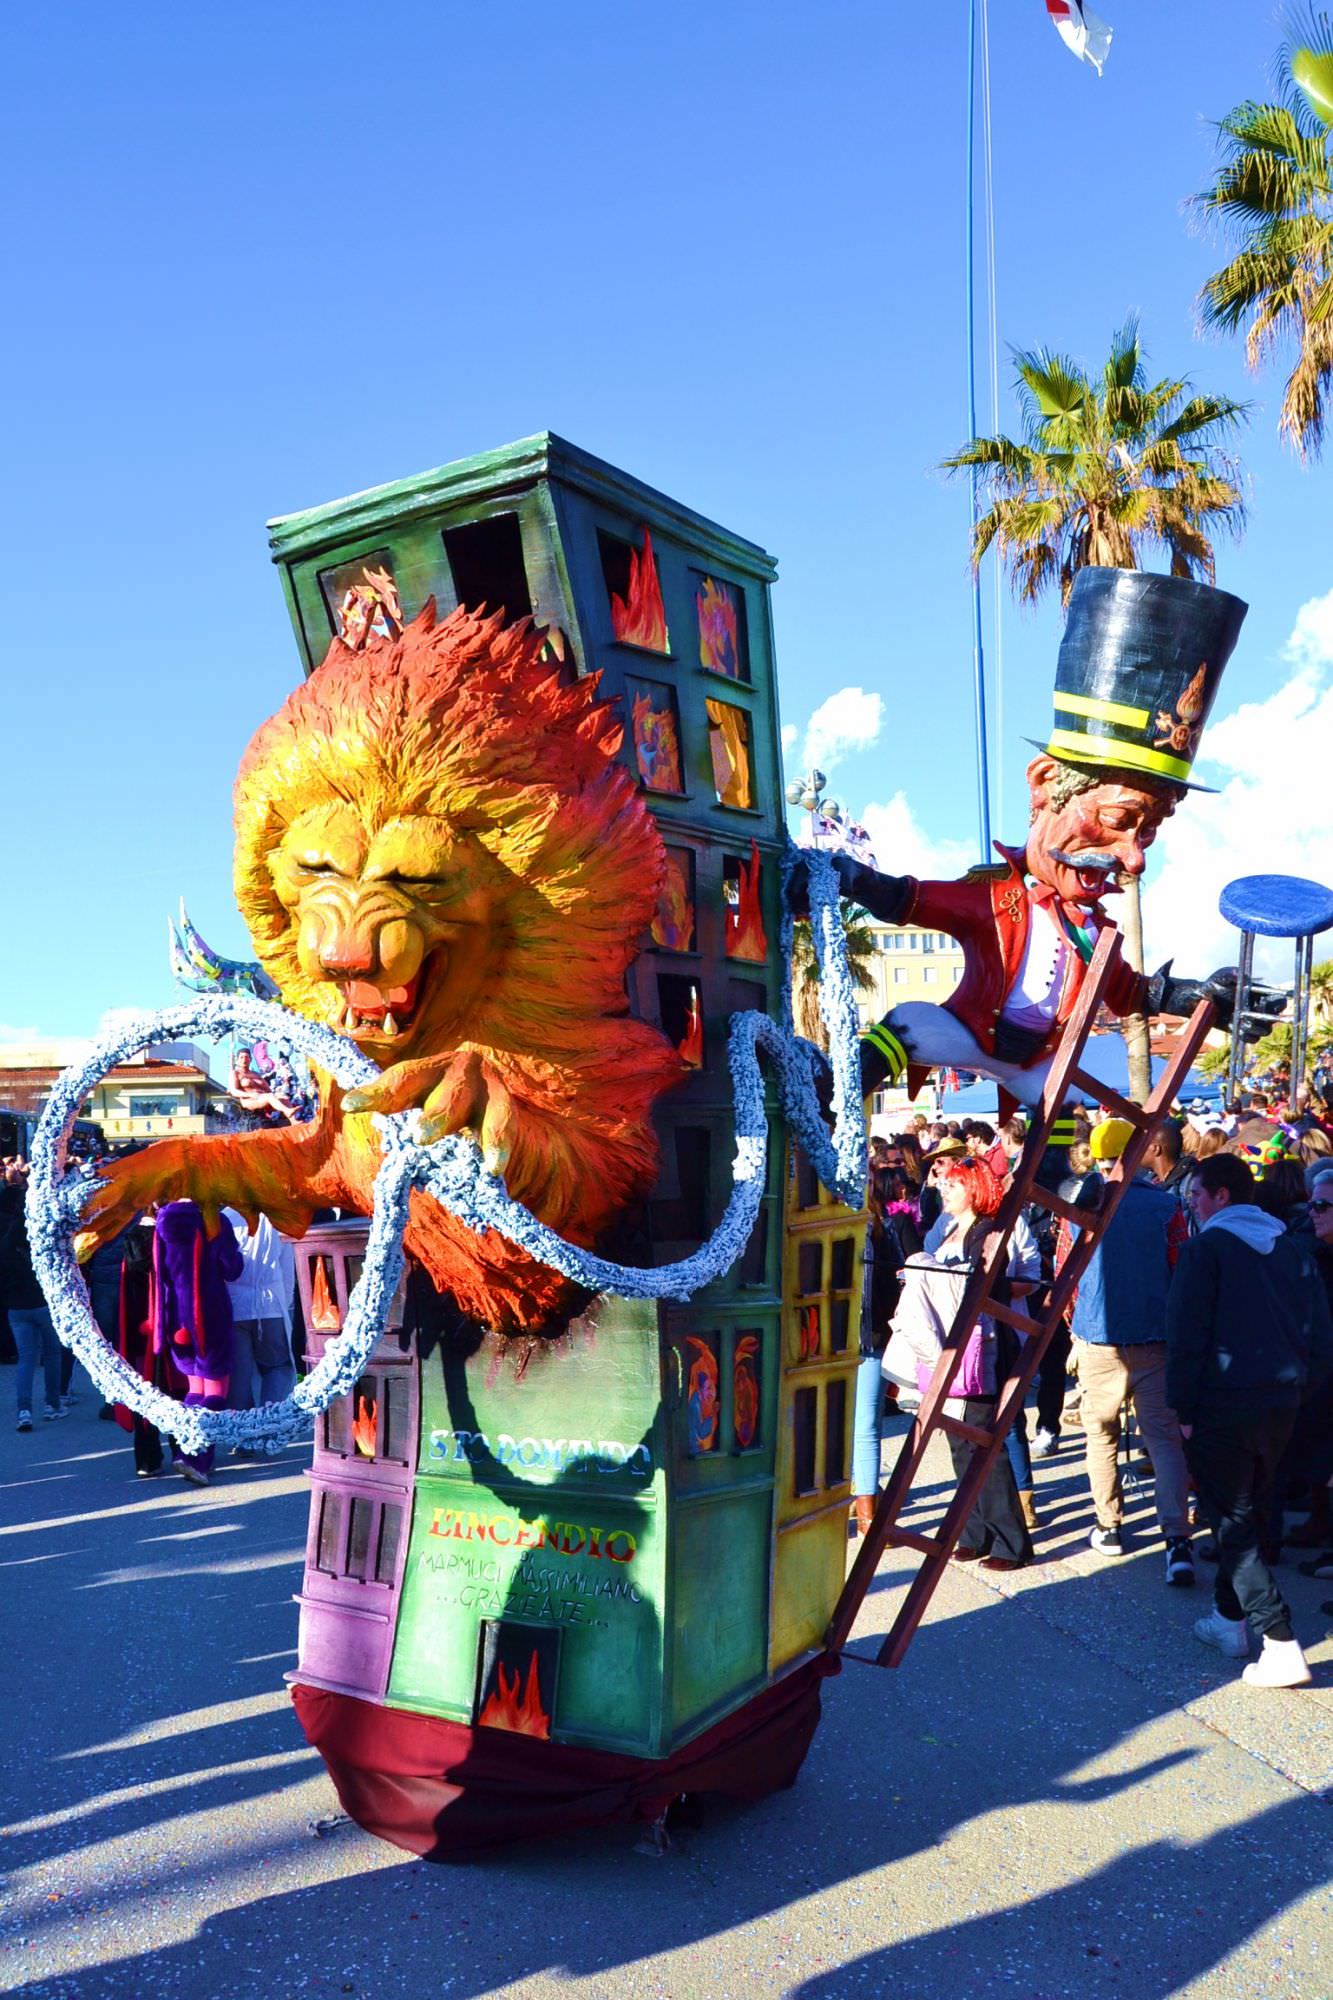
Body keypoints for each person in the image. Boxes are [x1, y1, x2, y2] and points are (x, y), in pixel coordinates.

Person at [1167, 1153, 1333, 1687]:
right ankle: (1229, 1620)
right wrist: (1303, 1391)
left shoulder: (1205, 1249)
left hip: (1224, 1401)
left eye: (1196, 1194)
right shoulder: (1290, 1246)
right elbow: (1319, 1332)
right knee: (1248, 1512)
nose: (1192, 1203)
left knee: (1234, 1521)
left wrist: (1184, 1409)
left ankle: (1279, 1638)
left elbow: (1187, 1335)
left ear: (1220, 1196)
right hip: (1281, 1400)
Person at [1058, 1117, 1195, 1582]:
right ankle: (1177, 1540)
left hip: (1098, 1339)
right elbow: (1182, 1273)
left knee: (1101, 1437)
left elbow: (1065, 1278)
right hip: (1157, 1339)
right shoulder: (1166, 1206)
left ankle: (1109, 1526)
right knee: (1164, 1441)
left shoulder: (1078, 1209)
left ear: (1099, 1157)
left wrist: (1078, 1328)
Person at [893, 1158, 1033, 1569]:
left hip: (983, 1352)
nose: (944, 1191)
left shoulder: (988, 1232)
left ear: (973, 1190)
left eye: (953, 1186)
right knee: (959, 1444)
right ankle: (975, 1532)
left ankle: (1011, 1542)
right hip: (958, 1348)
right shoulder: (952, 1227)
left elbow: (988, 1285)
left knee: (983, 1446)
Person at [152, 1199, 244, 1486]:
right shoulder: (212, 1219)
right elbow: (232, 1268)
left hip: (175, 1316)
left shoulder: (162, 1219)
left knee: (194, 1388)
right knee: (215, 1388)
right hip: (209, 1312)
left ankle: (186, 1450)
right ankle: (197, 1458)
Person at [0, 1162, 66, 1431]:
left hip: (16, 1308)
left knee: (26, 1358)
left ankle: (24, 1410)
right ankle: (52, 1404)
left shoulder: (5, 1244)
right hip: (44, 1304)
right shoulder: (44, 1239)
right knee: (52, 1354)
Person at [223, 1208, 297, 1413]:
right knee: (277, 1367)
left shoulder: (226, 1218)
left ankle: (244, 1432)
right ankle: (268, 1423)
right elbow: (287, 1266)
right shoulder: (278, 1218)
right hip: (271, 1305)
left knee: (239, 1376)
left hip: (235, 1306)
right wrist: (287, 1302)